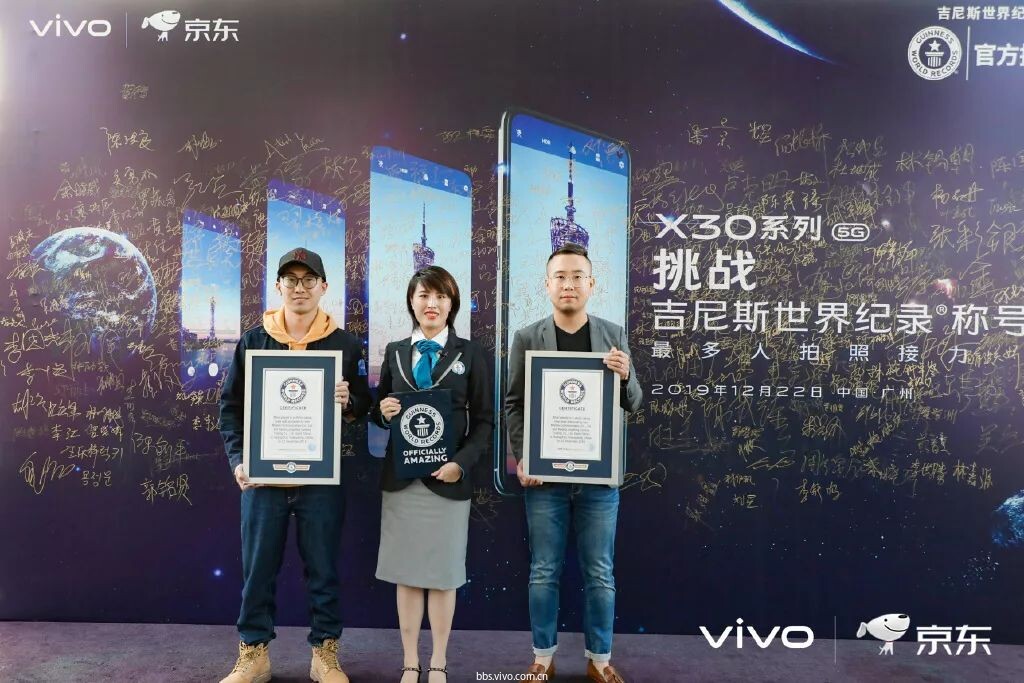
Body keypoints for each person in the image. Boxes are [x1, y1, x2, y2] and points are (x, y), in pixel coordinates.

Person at [218, 247, 371, 683]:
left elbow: (364, 403)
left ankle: (325, 655)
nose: (299, 288)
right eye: (291, 280)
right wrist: (239, 459)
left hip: (320, 479)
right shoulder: (254, 341)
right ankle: (254, 655)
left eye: (308, 280)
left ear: (323, 287)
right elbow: (230, 407)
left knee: (323, 570)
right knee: (257, 571)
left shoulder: (344, 344)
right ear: (279, 286)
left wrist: (349, 401)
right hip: (263, 479)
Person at [505, 243, 642, 683]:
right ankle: (542, 658)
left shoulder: (613, 334)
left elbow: (634, 402)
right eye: (560, 276)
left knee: (600, 572)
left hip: (598, 480)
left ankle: (599, 660)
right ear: (547, 285)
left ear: (591, 284)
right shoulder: (527, 338)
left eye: (577, 276)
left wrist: (625, 376)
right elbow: (514, 404)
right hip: (544, 480)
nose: (569, 284)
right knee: (543, 571)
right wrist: (523, 455)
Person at [371, 265, 493, 683]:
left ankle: (438, 661)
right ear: (411, 301)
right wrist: (383, 411)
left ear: (451, 303)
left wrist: (461, 463)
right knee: (407, 575)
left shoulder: (470, 353)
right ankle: (410, 661)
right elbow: (379, 411)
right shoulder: (395, 351)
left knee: (442, 576)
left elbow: (485, 421)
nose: (432, 304)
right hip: (402, 481)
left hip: (448, 482)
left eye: (441, 296)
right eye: (424, 295)